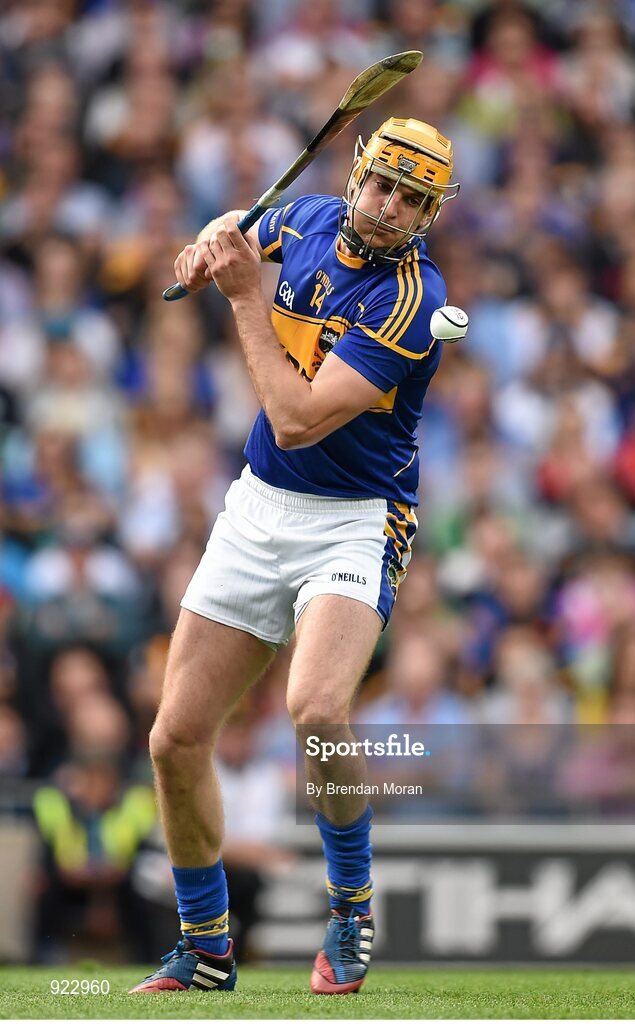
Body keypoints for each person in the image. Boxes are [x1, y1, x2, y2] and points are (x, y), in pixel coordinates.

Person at [129, 117, 459, 995]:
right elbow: (239, 225)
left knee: (316, 710)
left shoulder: (413, 306)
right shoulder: (309, 217)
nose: (391, 209)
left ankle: (350, 908)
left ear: (429, 215)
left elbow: (297, 418)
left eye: (414, 200)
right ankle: (205, 946)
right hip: (258, 506)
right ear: (357, 177)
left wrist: (241, 298)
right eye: (384, 185)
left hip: (355, 517)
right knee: (175, 738)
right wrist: (210, 242)